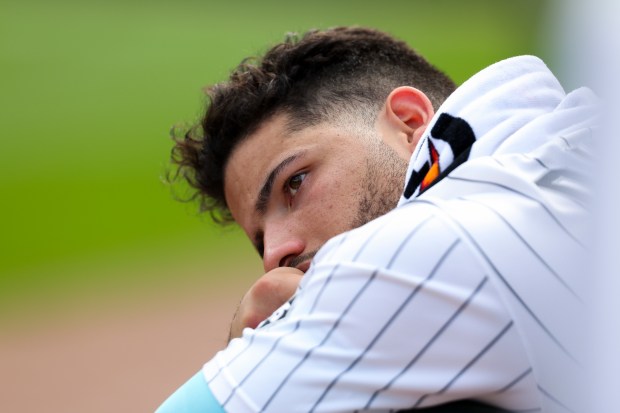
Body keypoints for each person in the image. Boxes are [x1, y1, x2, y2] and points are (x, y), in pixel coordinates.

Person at [157, 27, 598, 412]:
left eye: (295, 182)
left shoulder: (418, 251)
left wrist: (248, 348)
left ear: (409, 124)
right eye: (260, 243)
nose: (276, 254)